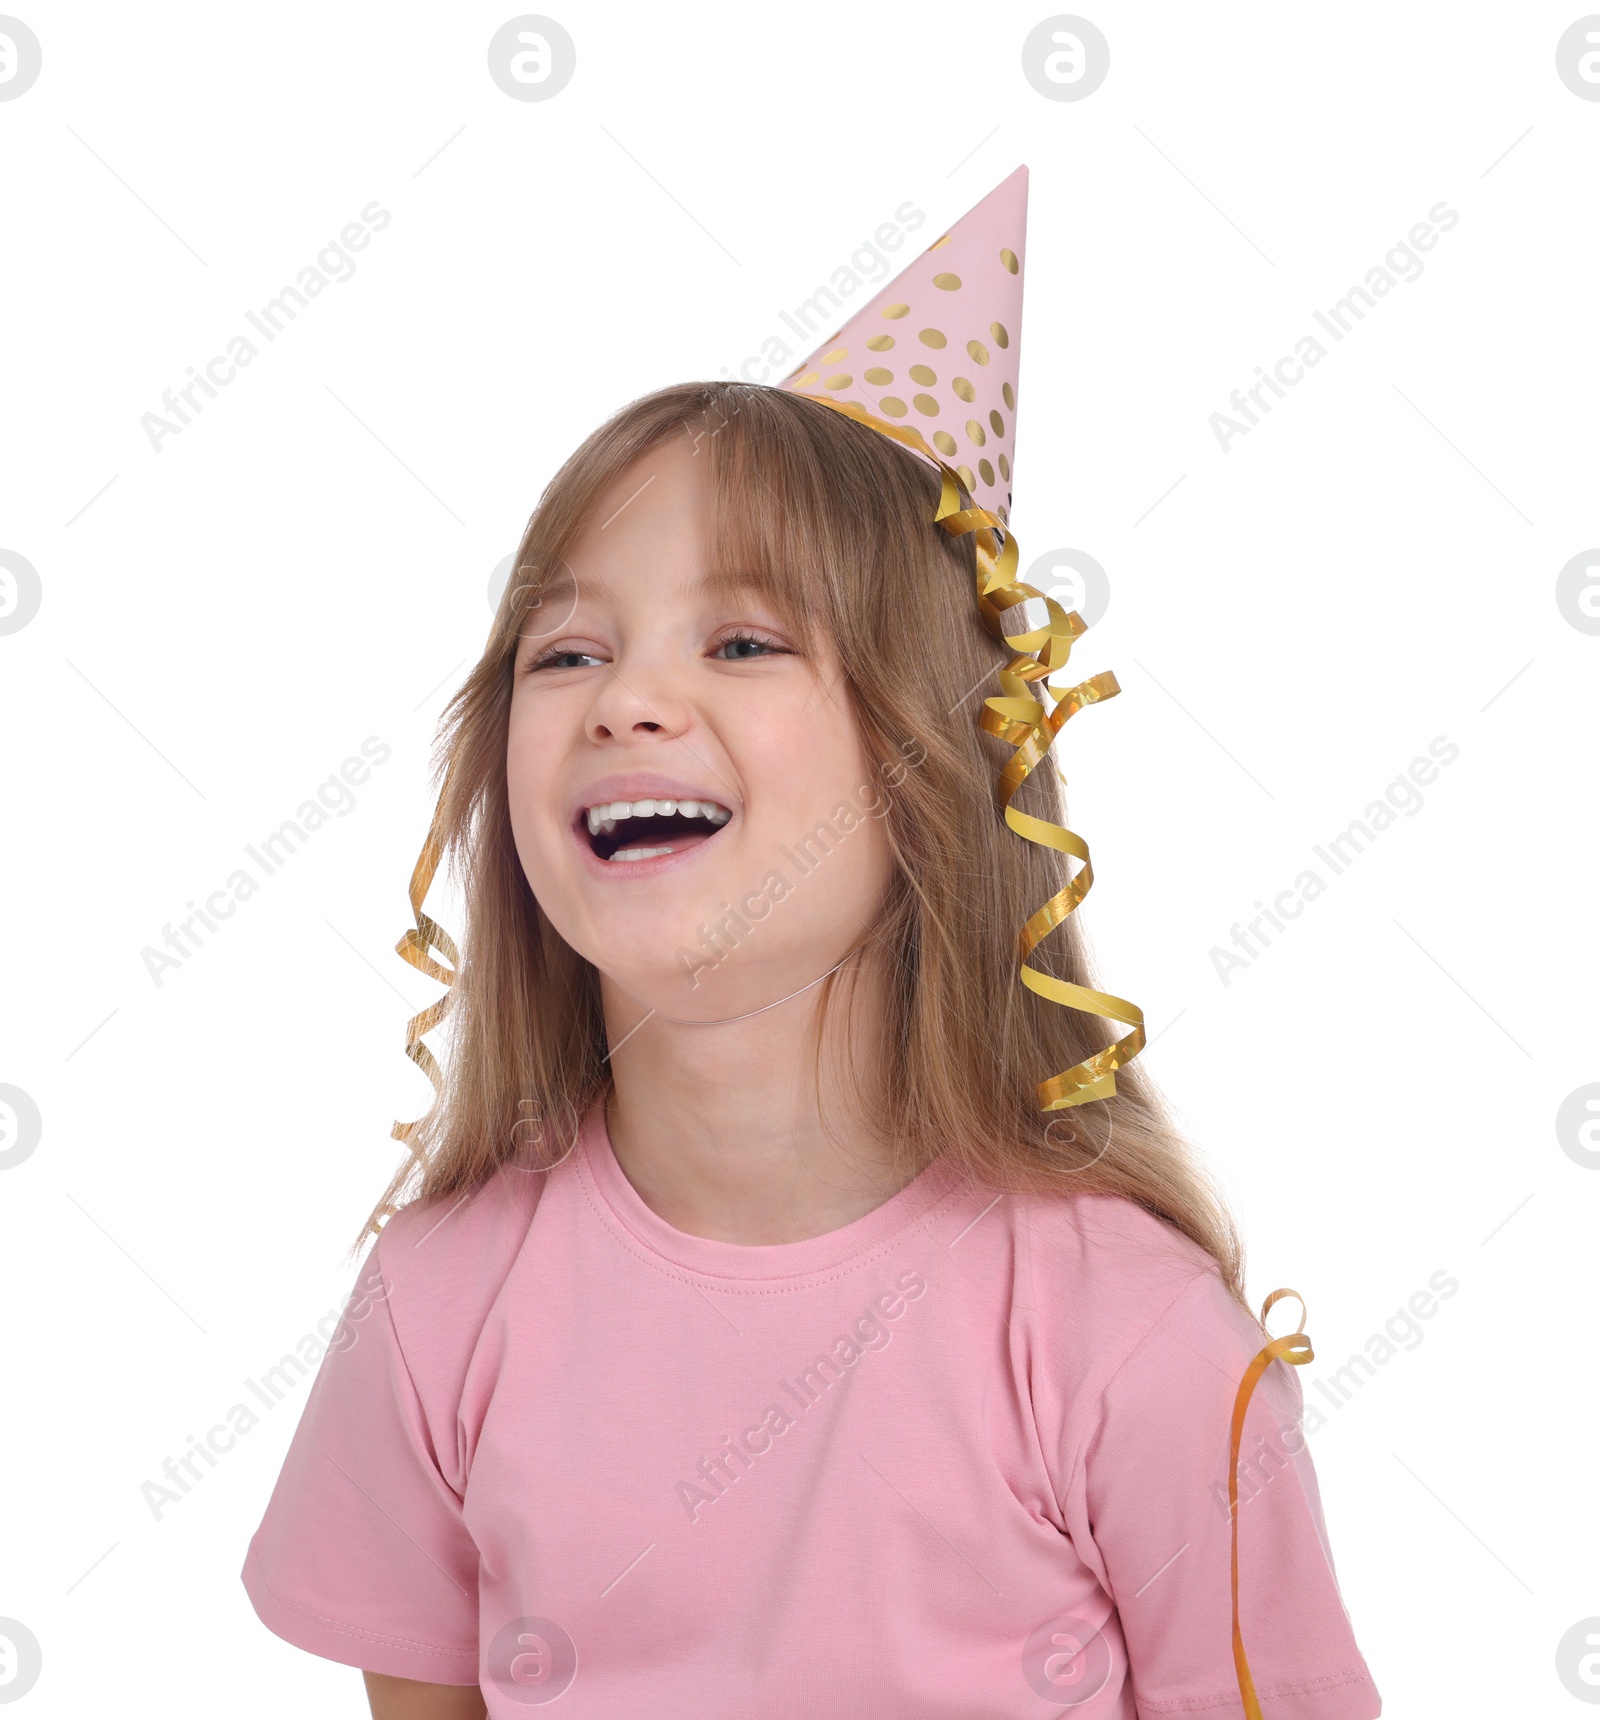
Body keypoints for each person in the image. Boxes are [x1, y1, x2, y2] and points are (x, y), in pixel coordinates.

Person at [242, 168, 1382, 1719]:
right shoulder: (444, 1304)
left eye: (743, 640)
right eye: (566, 650)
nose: (625, 699)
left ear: (926, 761)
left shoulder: (1127, 1339)